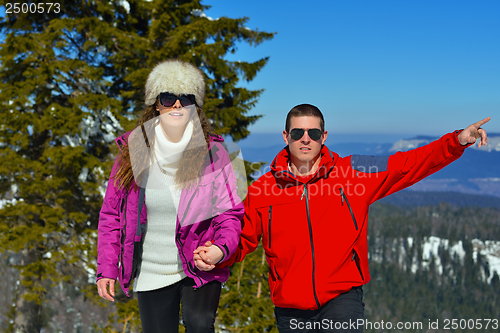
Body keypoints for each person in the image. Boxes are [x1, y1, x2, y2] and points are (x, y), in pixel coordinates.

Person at [194, 104, 490, 332]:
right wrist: (218, 253)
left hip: (342, 298)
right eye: (297, 133)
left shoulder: (354, 171)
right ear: (286, 137)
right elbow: (241, 237)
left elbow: (405, 165)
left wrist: (457, 141)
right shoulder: (263, 189)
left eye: (313, 133)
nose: (305, 139)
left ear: (324, 136)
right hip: (290, 307)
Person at [96, 59, 244, 333]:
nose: (177, 105)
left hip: (199, 264)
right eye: (168, 97)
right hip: (151, 269)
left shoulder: (214, 154)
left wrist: (220, 249)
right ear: (156, 104)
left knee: (199, 325)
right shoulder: (132, 152)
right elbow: (111, 215)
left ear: (194, 106)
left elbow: (230, 214)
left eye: (186, 99)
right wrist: (106, 268)